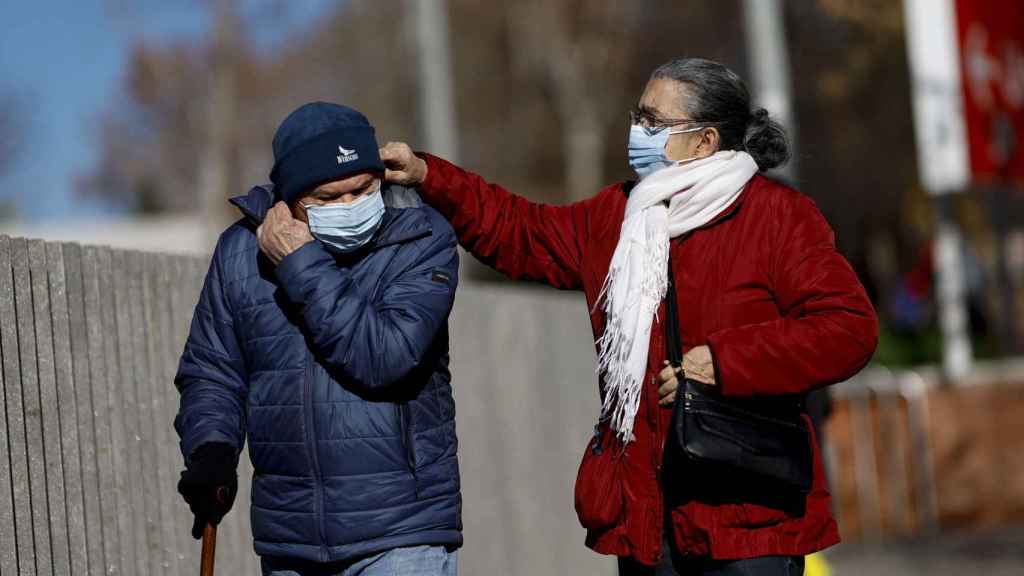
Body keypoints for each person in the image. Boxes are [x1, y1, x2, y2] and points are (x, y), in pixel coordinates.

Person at [381, 58, 878, 575]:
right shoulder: (619, 215)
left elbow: (849, 327)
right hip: (646, 516)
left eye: (654, 122)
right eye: (638, 117)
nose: (637, 132)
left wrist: (725, 362)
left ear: (706, 140)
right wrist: (429, 175)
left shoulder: (777, 215)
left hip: (747, 515)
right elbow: (519, 233)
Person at [174, 102, 461, 576]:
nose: (349, 207)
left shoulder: (423, 238)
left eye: (362, 190)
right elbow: (212, 370)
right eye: (328, 198)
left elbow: (387, 356)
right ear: (288, 199)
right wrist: (212, 448)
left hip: (403, 534)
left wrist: (299, 261)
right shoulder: (240, 253)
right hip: (291, 539)